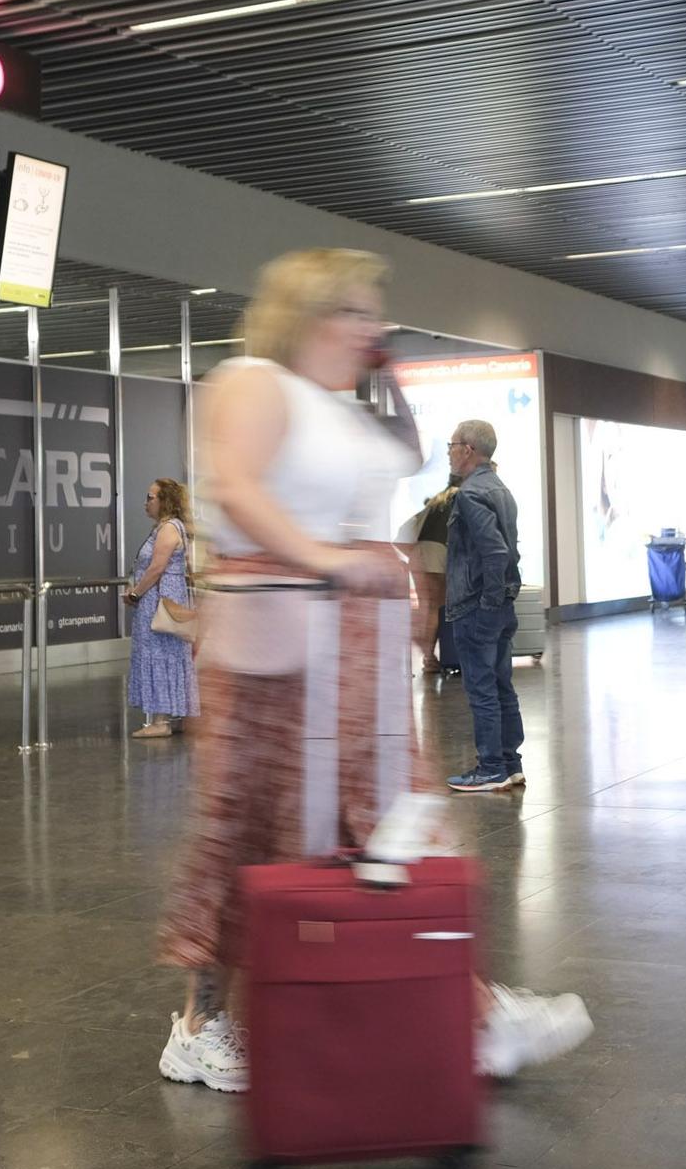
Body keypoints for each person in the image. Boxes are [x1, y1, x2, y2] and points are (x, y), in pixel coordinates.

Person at [153, 248, 590, 1096]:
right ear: (306, 313)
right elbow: (237, 490)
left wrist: (384, 563)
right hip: (273, 652)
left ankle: (464, 1011)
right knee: (254, 838)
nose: (374, 326)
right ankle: (202, 1026)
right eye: (355, 310)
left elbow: (404, 455)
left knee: (387, 829)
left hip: (346, 656)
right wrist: (326, 559)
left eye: (375, 312)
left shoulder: (343, 405)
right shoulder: (253, 381)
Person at [443, 419, 526, 793]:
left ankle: (491, 766)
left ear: (468, 450)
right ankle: (510, 763)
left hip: (478, 604)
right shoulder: (500, 489)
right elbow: (510, 549)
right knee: (501, 684)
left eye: (452, 444)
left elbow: (495, 551)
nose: (449, 451)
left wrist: (489, 601)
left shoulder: (471, 494)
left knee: (482, 689)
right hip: (499, 603)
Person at [124, 478, 199, 738]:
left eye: (150, 497)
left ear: (164, 500)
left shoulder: (168, 529)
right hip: (166, 598)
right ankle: (174, 714)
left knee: (159, 654)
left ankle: (160, 721)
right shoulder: (171, 528)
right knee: (171, 656)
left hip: (159, 601)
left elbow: (156, 568)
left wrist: (135, 593)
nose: (146, 502)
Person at [410, 479, 458, 673]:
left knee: (426, 607)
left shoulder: (437, 500)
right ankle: (429, 658)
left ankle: (428, 657)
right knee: (436, 608)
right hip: (436, 552)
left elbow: (408, 529)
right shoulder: (460, 496)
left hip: (418, 552)